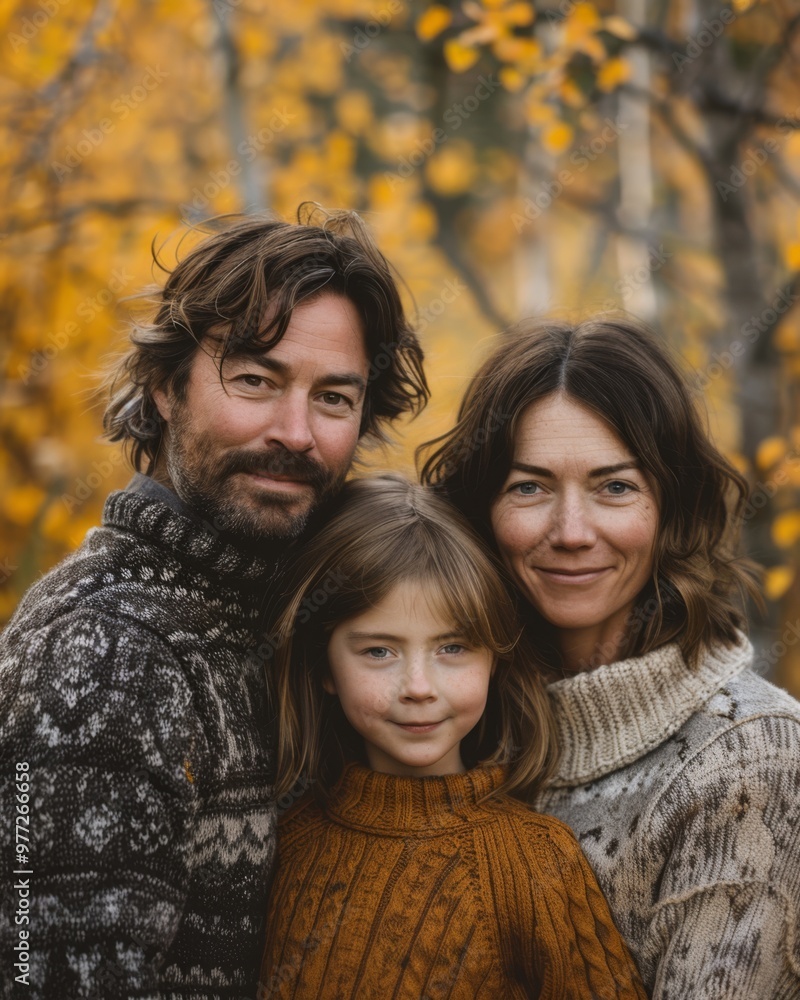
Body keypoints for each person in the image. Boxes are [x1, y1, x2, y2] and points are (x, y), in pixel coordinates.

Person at [0, 207, 428, 999]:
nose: (296, 432)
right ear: (166, 387)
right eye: (257, 381)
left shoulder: (303, 619)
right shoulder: (105, 653)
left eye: (334, 398)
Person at [419, 315, 800, 999]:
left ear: (670, 509)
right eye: (529, 486)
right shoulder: (441, 716)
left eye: (614, 487)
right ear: (482, 508)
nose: (571, 532)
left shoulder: (752, 756)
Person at [259, 475, 647, 999]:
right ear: (324, 666)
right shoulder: (283, 840)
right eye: (378, 651)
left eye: (452, 648)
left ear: (494, 659)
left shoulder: (532, 862)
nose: (418, 688)